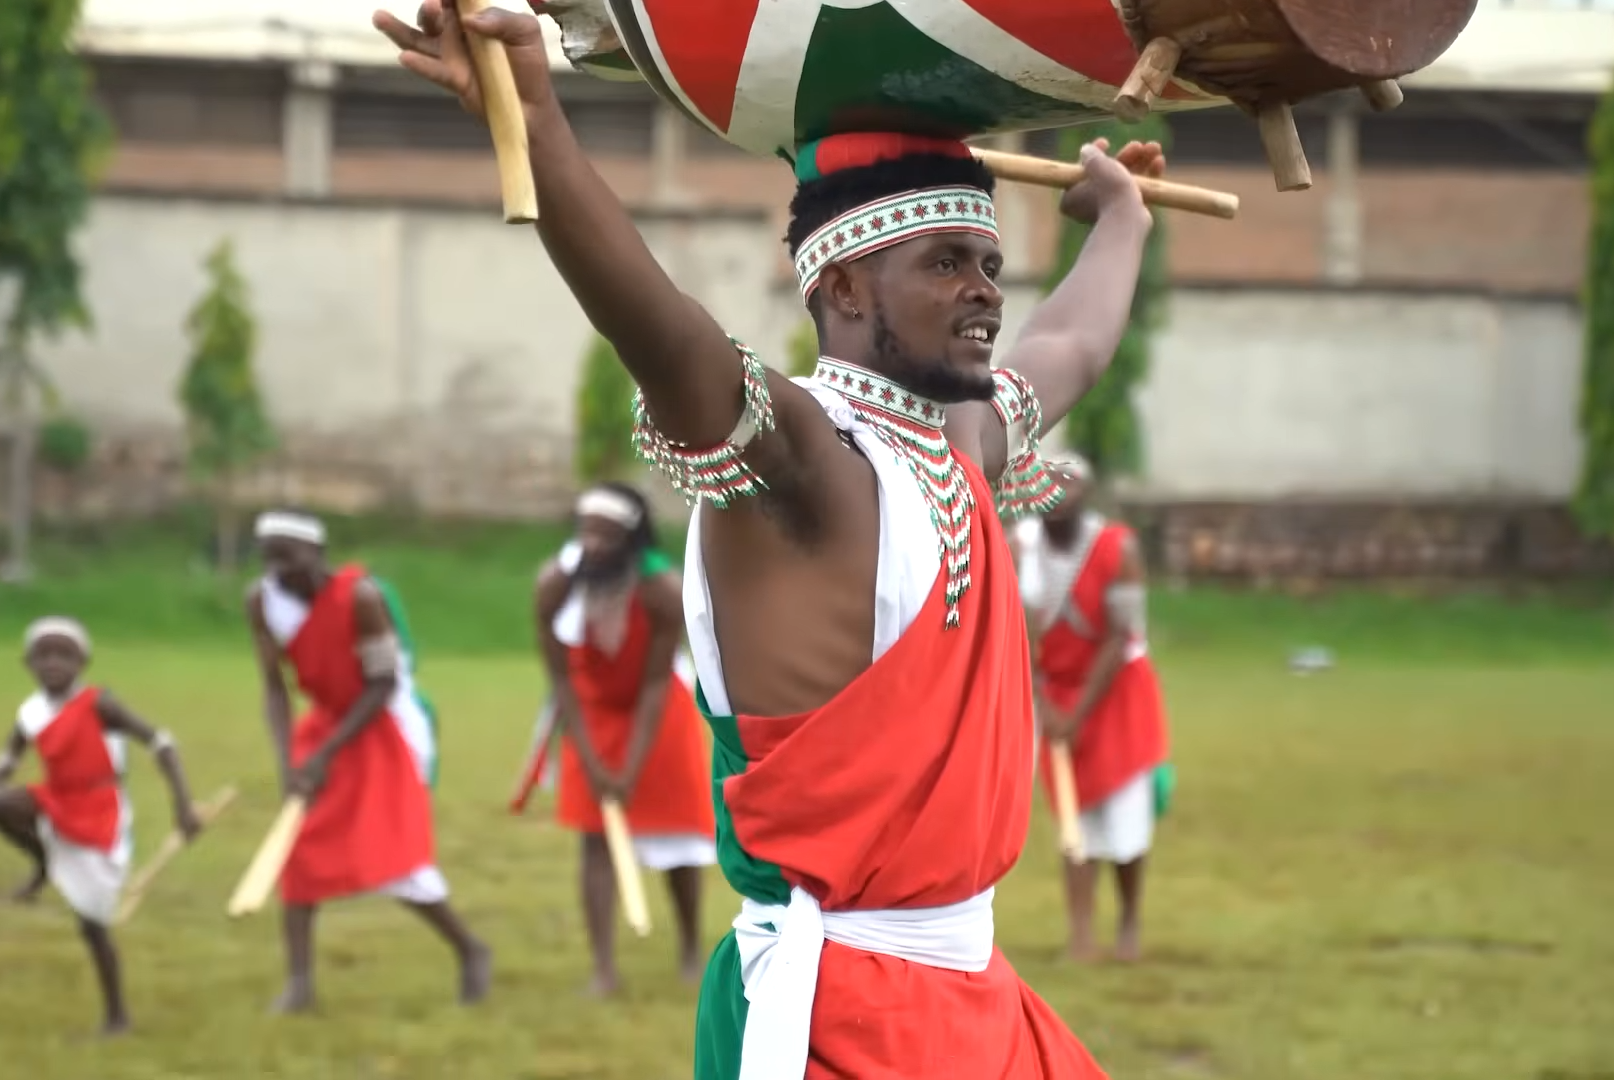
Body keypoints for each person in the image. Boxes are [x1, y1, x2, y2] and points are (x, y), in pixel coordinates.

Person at [372, 5, 1160, 1075]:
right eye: (944, 264)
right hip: (836, 1010)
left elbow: (1069, 341)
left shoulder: (960, 441)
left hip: (973, 992)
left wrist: (1121, 218)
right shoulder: (804, 462)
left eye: (988, 262)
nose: (984, 291)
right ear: (840, 286)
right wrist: (539, 122)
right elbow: (660, 330)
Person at [246, 508, 493, 1012]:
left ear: (317, 553)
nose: (279, 572)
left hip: (380, 726)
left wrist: (327, 753)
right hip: (322, 727)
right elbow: (274, 687)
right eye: (270, 561)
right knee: (299, 853)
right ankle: (300, 984)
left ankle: (470, 949)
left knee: (392, 857)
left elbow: (383, 684)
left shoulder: (361, 597)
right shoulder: (263, 600)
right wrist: (287, 759)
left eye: (288, 559)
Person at [0, 617, 203, 1036]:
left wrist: (184, 806)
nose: (53, 663)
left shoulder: (100, 703)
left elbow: (162, 742)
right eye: (42, 655)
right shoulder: (30, 713)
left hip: (100, 810)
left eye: (64, 655)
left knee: (92, 924)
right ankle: (46, 862)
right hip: (57, 798)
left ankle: (117, 1018)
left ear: (82, 661)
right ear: (27, 662)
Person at [533, 481, 718, 995]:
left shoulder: (661, 590)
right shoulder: (554, 586)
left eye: (606, 536)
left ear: (631, 542)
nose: (592, 544)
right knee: (595, 843)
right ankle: (603, 970)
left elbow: (658, 681)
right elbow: (561, 679)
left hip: (659, 716)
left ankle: (689, 950)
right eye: (585, 532)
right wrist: (592, 761)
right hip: (589, 715)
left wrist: (632, 767)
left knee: (680, 842)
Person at [1014, 459, 1171, 963]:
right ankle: (1081, 934)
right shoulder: (1022, 547)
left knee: (1126, 820)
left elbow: (1122, 635)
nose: (1057, 493)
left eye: (1068, 483)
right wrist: (1044, 705)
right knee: (1072, 817)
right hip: (1053, 694)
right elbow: (1018, 634)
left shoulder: (1117, 548)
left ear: (1087, 492)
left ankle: (1128, 923)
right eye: (1047, 484)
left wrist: (1077, 714)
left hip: (1116, 693)